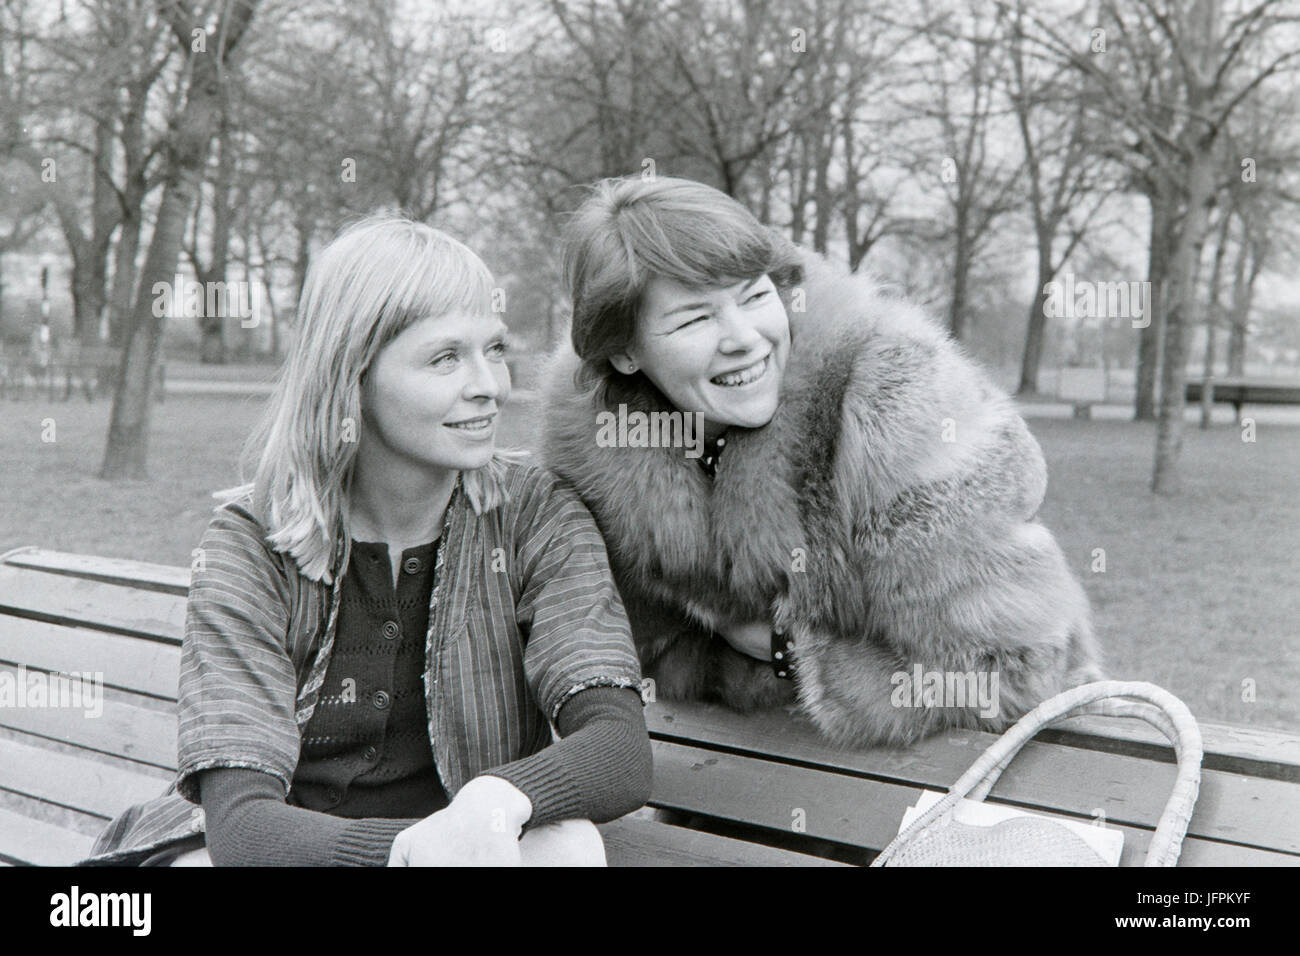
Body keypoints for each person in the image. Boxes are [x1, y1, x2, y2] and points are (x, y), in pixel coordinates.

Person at [82, 217, 651, 866]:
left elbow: (620, 748)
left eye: (494, 350)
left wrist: (494, 802)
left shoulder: (534, 516)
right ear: (352, 374)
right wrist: (415, 853)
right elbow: (243, 831)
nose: (490, 385)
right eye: (444, 358)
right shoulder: (252, 546)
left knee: (568, 845)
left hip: (475, 843)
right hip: (300, 859)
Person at [540, 176, 1101, 748]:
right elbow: (635, 651)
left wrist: (788, 650)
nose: (745, 338)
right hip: (759, 783)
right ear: (626, 354)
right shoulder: (600, 453)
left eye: (755, 296)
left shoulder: (894, 405)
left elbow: (1011, 671)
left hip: (957, 788)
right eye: (694, 319)